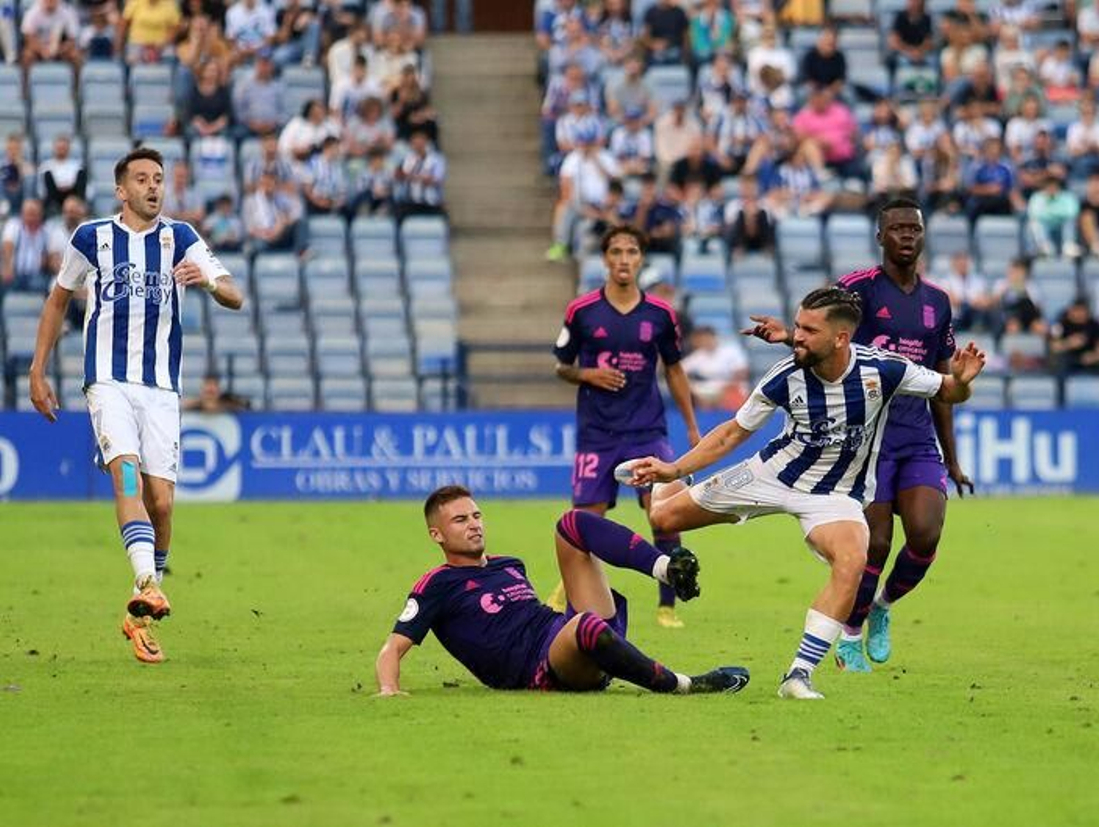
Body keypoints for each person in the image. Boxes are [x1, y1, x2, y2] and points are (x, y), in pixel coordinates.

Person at [632, 286, 987, 698]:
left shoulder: (883, 370)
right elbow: (732, 433)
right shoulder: (785, 375)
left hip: (833, 495)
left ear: (840, 338)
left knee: (853, 558)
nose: (796, 336)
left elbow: (949, 390)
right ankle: (671, 484)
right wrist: (674, 468)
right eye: (797, 325)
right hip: (772, 475)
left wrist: (962, 382)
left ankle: (798, 675)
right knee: (662, 519)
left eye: (808, 329)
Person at [26, 147, 245, 664]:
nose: (153, 186)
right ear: (121, 190)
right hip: (107, 382)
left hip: (161, 389)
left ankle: (142, 611)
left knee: (162, 503)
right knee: (126, 476)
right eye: (142, 179)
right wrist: (38, 369)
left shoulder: (181, 239)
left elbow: (235, 293)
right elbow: (59, 299)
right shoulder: (91, 238)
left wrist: (210, 282)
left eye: (159, 179)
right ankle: (146, 580)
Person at [742, 198, 972, 673]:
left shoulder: (937, 302)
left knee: (926, 534)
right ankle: (849, 632)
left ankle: (882, 607)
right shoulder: (856, 291)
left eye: (914, 228)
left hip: (916, 435)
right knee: (877, 543)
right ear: (880, 237)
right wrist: (789, 336)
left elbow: (943, 382)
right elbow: (821, 334)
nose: (907, 236)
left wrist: (952, 458)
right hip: (866, 437)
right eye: (897, 229)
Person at [374, 486, 749, 696]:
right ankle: (682, 684)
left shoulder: (509, 564)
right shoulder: (436, 585)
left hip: (566, 637)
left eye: (476, 515)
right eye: (460, 520)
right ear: (436, 535)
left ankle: (666, 568)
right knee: (585, 625)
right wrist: (389, 689)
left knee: (571, 524)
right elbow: (393, 647)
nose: (474, 525)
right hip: (541, 668)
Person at [551, 225, 702, 629]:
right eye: (615, 251)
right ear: (605, 258)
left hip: (646, 431)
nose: (623, 259)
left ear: (641, 259)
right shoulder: (581, 311)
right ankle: (570, 593)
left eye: (631, 251)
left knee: (664, 512)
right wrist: (589, 375)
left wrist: (690, 428)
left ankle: (667, 605)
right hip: (597, 434)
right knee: (584, 520)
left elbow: (674, 370)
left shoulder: (660, 314)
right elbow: (561, 366)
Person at [181, 373, 249, 412]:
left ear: (219, 391)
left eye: (212, 392)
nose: (210, 388)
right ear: (201, 391)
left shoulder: (230, 408)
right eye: (207, 392)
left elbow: (246, 406)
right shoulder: (191, 409)